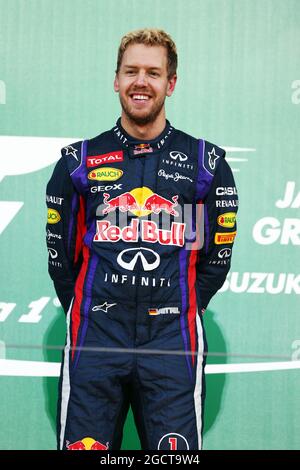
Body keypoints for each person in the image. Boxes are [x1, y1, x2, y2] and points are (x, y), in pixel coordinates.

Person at [46, 28, 238, 451]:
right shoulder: (79, 162)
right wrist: (91, 306)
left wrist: (183, 306)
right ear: (116, 79)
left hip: (173, 337)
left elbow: (215, 258)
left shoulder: (204, 164)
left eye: (153, 73)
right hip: (95, 334)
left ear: (171, 83)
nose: (141, 82)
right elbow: (60, 259)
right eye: (131, 71)